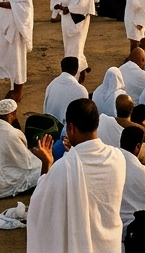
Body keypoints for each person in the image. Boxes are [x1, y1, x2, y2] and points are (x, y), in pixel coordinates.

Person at [26, 97, 127, 253]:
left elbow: (41, 206)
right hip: (109, 245)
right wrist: (72, 154)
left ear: (71, 128)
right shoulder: (118, 158)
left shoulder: (64, 167)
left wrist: (47, 163)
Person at [0, 98, 42, 199]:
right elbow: (25, 162)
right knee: (41, 167)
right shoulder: (13, 132)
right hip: (2, 185)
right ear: (14, 113)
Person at [55, 0, 96, 72]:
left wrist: (69, 9)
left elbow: (84, 3)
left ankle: (75, 72)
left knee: (77, 45)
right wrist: (61, 6)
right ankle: (82, 67)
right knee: (68, 45)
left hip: (80, 18)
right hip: (66, 18)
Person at [43, 57, 89, 122]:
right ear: (76, 70)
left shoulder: (51, 85)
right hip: (68, 127)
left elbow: (45, 109)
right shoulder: (81, 90)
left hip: (49, 124)